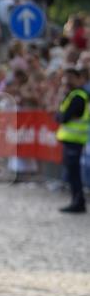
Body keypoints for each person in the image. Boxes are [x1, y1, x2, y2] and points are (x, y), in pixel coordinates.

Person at [56, 67, 89, 213]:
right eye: (66, 78)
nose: (67, 81)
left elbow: (64, 117)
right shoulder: (72, 94)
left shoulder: (79, 96)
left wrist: (61, 115)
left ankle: (78, 202)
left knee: (74, 173)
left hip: (75, 140)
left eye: (70, 78)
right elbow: (60, 116)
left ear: (79, 78)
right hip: (71, 140)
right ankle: (76, 200)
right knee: (71, 172)